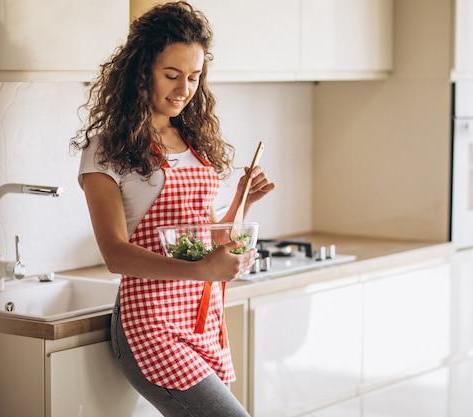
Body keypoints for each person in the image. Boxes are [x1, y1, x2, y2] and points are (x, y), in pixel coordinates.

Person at [70, 2, 275, 416]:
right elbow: (114, 254)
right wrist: (202, 271)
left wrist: (240, 203)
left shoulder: (192, 139)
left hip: (203, 318)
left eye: (194, 77)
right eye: (171, 75)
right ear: (141, 69)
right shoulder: (108, 149)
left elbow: (197, 238)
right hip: (151, 328)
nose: (184, 88)